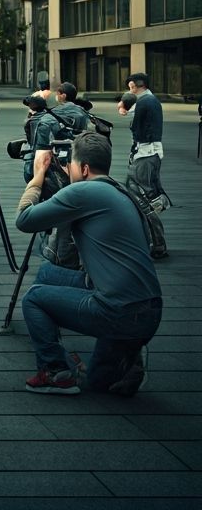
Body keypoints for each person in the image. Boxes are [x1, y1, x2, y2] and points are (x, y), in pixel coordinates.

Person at [16, 131, 163, 396]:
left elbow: (25, 220)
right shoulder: (119, 191)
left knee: (34, 299)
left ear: (83, 168)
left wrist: (38, 176)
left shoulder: (82, 192)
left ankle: (55, 371)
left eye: (69, 164)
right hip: (148, 309)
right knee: (97, 384)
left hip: (118, 311)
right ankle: (128, 361)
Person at [125, 72, 167, 257]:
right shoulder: (151, 100)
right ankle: (151, 241)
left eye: (130, 85)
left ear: (134, 85)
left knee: (144, 199)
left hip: (145, 154)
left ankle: (157, 244)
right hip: (149, 153)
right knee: (137, 194)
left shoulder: (144, 102)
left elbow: (136, 128)